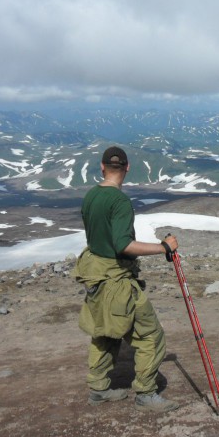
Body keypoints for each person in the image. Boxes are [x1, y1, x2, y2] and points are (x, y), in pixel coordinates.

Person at [74, 146, 180, 413]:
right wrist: (164, 247)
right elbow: (123, 245)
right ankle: (146, 393)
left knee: (105, 333)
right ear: (127, 167)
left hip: (95, 276)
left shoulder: (91, 196)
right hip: (116, 280)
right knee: (150, 336)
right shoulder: (119, 202)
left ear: (101, 167)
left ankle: (98, 389)